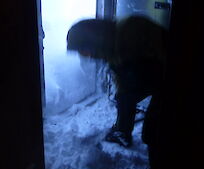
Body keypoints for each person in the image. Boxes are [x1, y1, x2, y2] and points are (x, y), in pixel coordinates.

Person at [66, 15, 167, 148]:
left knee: (152, 134)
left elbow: (166, 50)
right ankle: (123, 133)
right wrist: (122, 96)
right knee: (124, 97)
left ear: (93, 40)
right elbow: (121, 75)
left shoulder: (131, 28)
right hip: (153, 78)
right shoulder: (110, 49)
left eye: (84, 51)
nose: (87, 56)